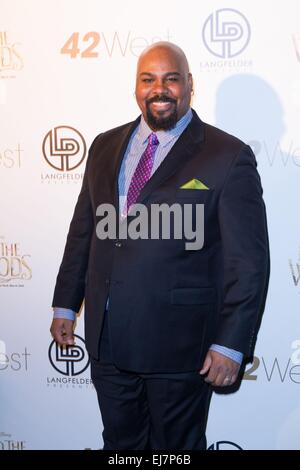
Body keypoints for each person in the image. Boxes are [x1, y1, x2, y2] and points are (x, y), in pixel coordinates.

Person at [50, 41, 269, 450]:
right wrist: (66, 302)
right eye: (148, 79)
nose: (159, 89)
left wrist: (231, 344)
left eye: (171, 78)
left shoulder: (227, 155)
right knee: (121, 447)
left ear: (189, 84)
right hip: (108, 339)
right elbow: (84, 230)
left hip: (179, 346)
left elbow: (249, 262)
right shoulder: (103, 146)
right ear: (136, 87)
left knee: (176, 452)